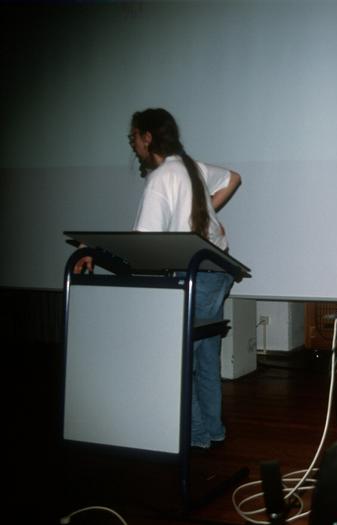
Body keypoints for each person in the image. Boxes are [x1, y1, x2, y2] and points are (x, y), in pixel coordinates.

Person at [74, 108, 242, 449]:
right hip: (217, 270)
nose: (133, 145)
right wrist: (206, 216)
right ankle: (212, 431)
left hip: (198, 273)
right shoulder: (190, 166)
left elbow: (142, 244)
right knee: (205, 357)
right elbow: (233, 178)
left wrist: (93, 248)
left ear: (147, 137)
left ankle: (196, 437)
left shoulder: (161, 177)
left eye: (133, 137)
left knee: (182, 359)